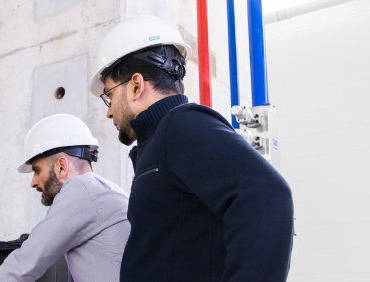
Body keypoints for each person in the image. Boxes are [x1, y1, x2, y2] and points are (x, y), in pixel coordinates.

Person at [88, 15, 294, 281]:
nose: (108, 113)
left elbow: (268, 195)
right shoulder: (160, 143)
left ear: (136, 85)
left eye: (109, 96)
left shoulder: (181, 126)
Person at [0, 114, 130, 282]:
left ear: (62, 166)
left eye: (37, 170)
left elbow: (24, 264)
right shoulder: (101, 190)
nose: (33, 182)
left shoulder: (82, 189)